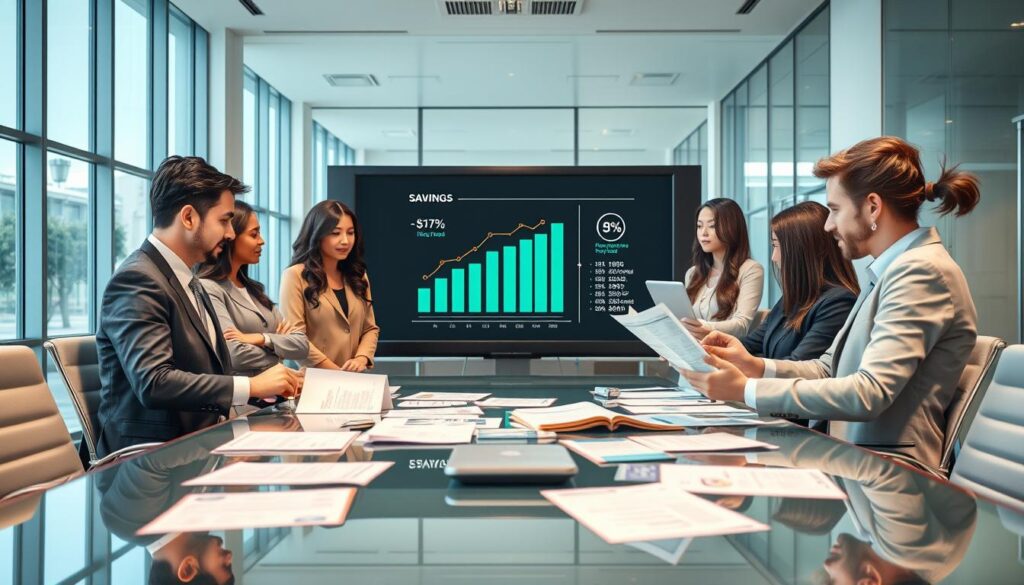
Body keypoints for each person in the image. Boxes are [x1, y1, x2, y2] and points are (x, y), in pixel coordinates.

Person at [680, 136, 980, 468]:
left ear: (872, 207)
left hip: (892, 470)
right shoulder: (888, 270)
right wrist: (755, 366)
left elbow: (869, 392)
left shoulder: (921, 272)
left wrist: (746, 390)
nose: (828, 224)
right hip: (852, 459)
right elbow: (827, 368)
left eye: (835, 210)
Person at [95, 156, 301, 457]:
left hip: (200, 446)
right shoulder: (138, 279)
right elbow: (154, 382)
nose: (230, 234)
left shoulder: (187, 279)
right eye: (224, 220)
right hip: (152, 465)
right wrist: (252, 386)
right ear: (189, 217)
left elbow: (208, 369)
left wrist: (276, 385)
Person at [197, 200, 309, 377]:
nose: (261, 241)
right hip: (243, 401)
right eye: (254, 234)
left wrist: (261, 338)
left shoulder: (255, 290)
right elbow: (234, 354)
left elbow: (302, 345)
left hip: (271, 396)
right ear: (231, 236)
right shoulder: (208, 288)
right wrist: (279, 350)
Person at [740, 201, 859, 362]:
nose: (773, 257)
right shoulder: (795, 298)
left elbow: (799, 367)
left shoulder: (839, 302)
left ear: (802, 250)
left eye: (777, 246)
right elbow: (751, 345)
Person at [280, 200, 379, 371]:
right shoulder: (294, 276)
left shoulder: (358, 275)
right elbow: (295, 338)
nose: (345, 241)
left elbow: (370, 328)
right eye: (335, 233)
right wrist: (336, 372)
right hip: (315, 381)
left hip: (356, 381)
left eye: (350, 233)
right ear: (317, 235)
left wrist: (361, 358)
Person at [682, 197, 765, 340]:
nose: (704, 233)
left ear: (731, 228)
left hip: (723, 356)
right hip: (692, 351)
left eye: (712, 226)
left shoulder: (751, 270)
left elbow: (741, 325)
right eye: (699, 226)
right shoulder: (693, 273)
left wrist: (704, 327)